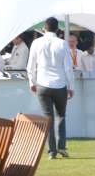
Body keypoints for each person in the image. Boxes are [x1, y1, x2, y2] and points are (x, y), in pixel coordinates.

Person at [28, 18, 73, 157]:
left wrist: (31, 82)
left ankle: (52, 151)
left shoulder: (36, 42)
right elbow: (68, 68)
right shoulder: (63, 43)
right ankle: (62, 147)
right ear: (58, 29)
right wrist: (71, 86)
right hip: (60, 84)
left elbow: (30, 66)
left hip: (42, 84)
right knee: (61, 116)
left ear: (44, 28)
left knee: (48, 118)